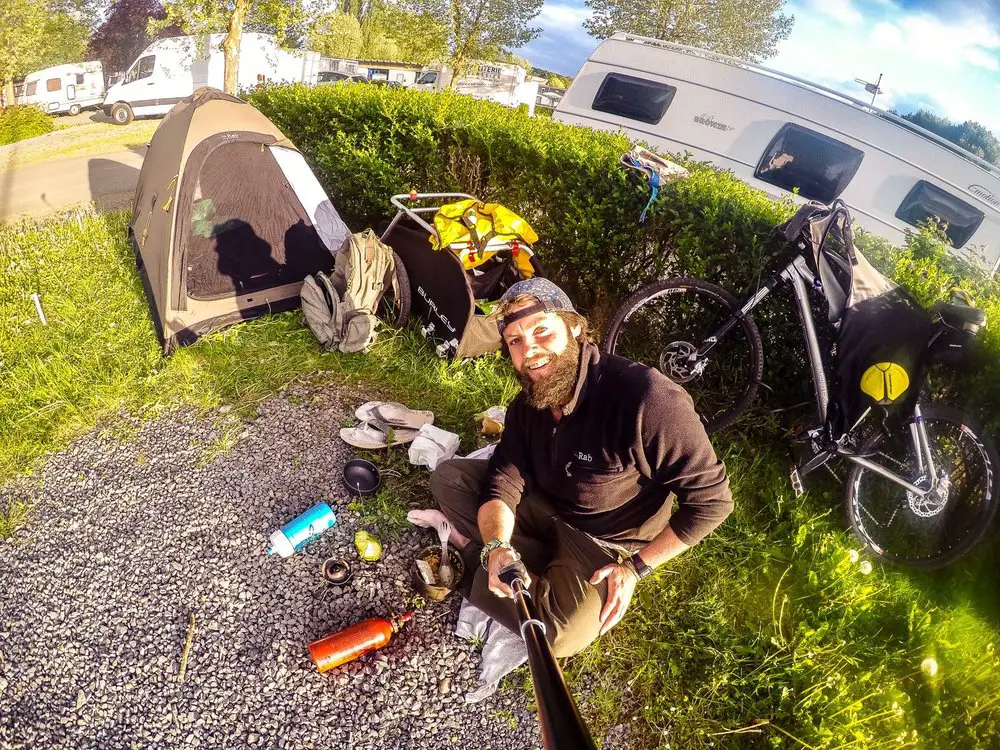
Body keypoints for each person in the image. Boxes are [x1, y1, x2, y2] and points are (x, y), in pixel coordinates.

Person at [414, 278, 733, 657]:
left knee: (561, 636)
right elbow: (503, 479)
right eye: (515, 341)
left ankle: (468, 558)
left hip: (604, 541)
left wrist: (635, 569)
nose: (529, 351)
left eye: (541, 331)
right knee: (449, 478)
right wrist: (498, 544)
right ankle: (509, 558)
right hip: (547, 506)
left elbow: (712, 503)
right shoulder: (527, 404)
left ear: (575, 327)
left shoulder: (648, 400)